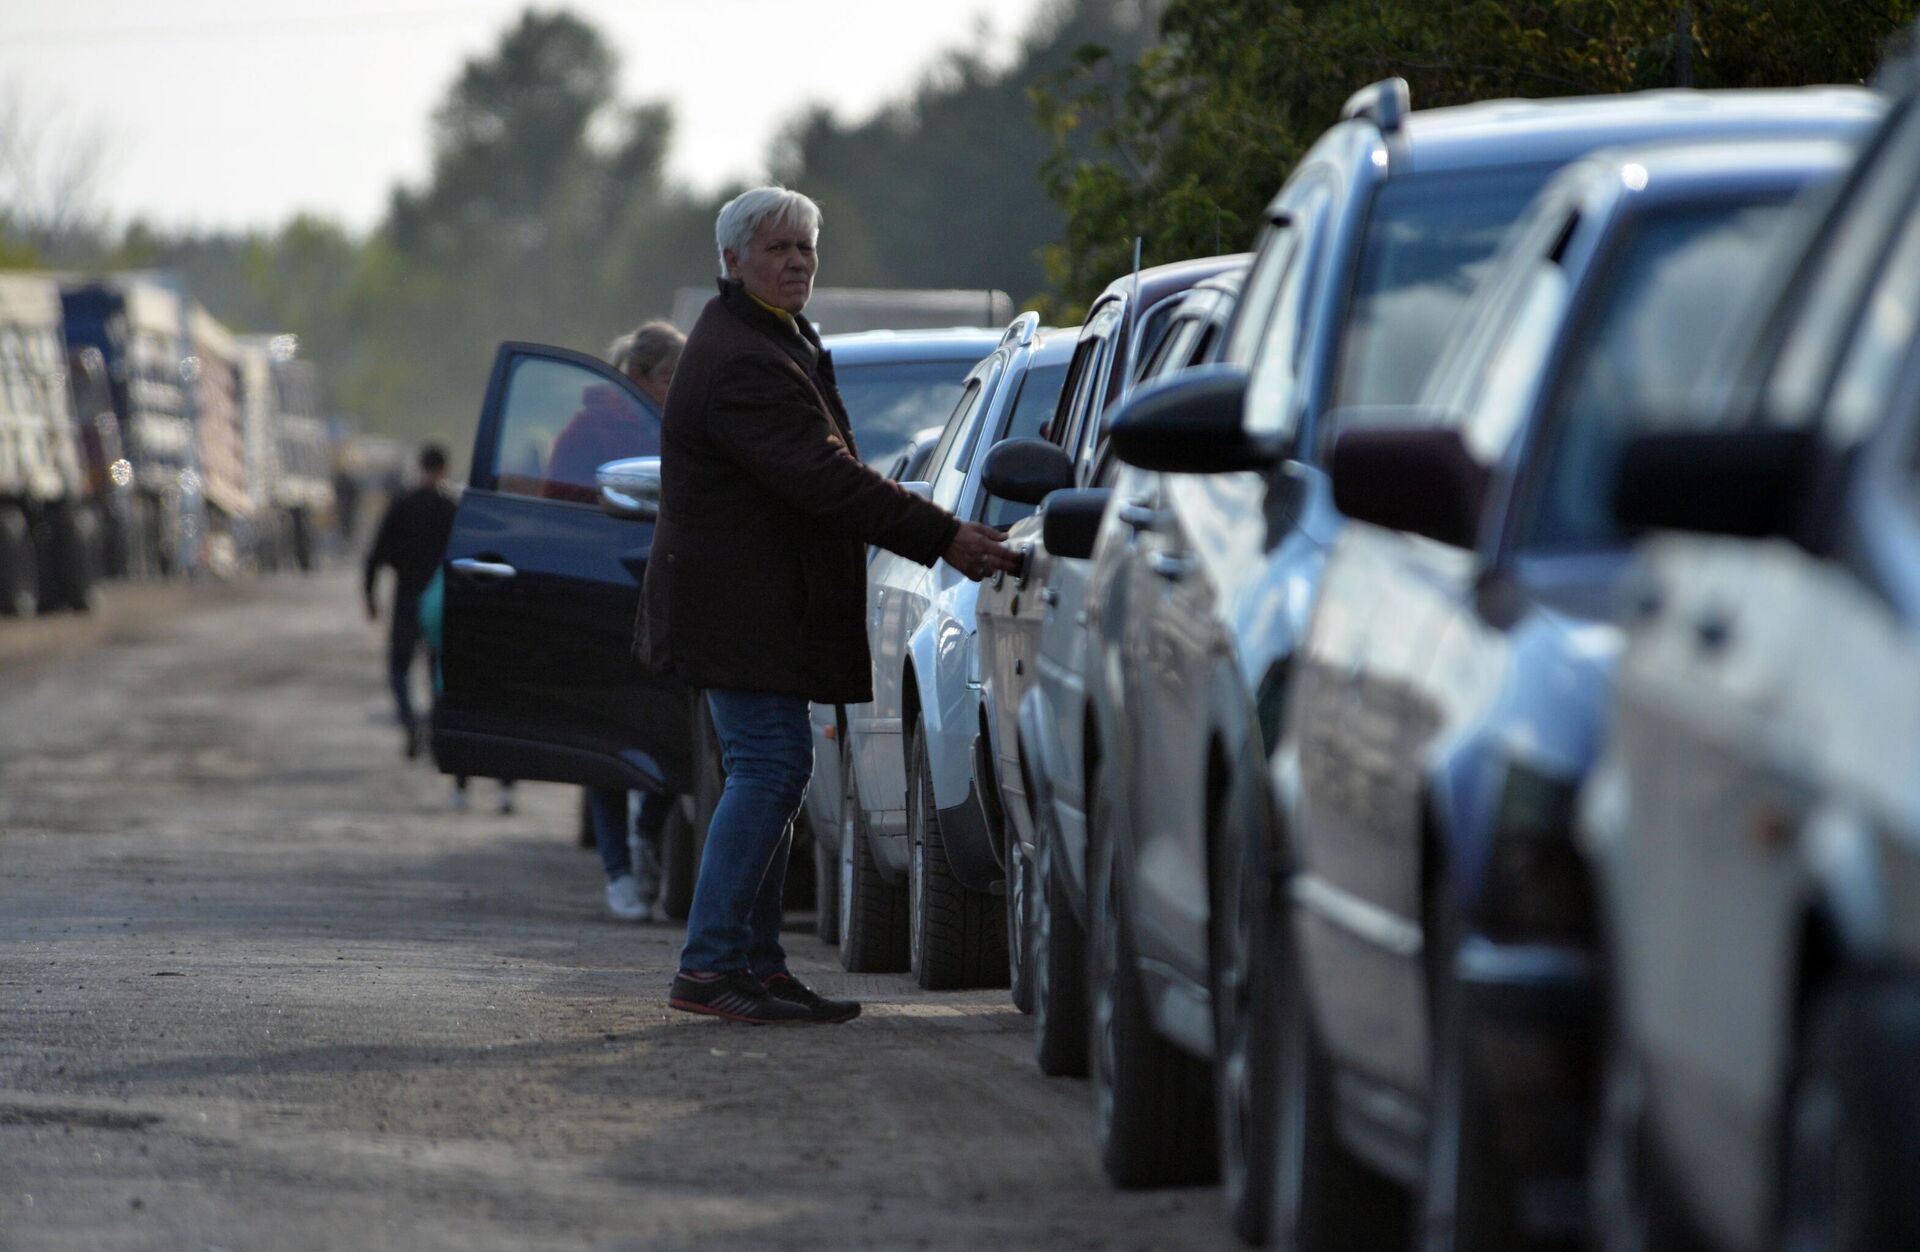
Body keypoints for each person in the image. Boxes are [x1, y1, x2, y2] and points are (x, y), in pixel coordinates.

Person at [637, 186, 1019, 1024]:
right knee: (772, 768)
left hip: (755, 608)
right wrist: (942, 532)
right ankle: (710, 966)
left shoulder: (773, 338)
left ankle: (755, 965)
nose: (797, 262)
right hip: (738, 610)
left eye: (806, 247)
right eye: (777, 248)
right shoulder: (744, 356)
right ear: (732, 261)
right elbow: (823, 475)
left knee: (773, 769)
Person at [561, 320, 688, 921]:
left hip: (663, 599)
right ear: (639, 377)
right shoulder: (586, 431)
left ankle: (646, 835)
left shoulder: (680, 425)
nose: (676, 388)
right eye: (669, 377)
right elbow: (560, 508)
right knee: (605, 739)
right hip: (598, 595)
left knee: (668, 728)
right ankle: (618, 869)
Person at [363, 443, 456, 760]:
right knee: (437, 672)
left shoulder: (403, 505)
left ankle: (409, 722)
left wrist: (370, 596)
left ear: (420, 467)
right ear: (445, 469)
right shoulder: (451, 509)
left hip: (406, 599)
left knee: (398, 668)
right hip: (440, 604)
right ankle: (433, 729)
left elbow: (375, 554)